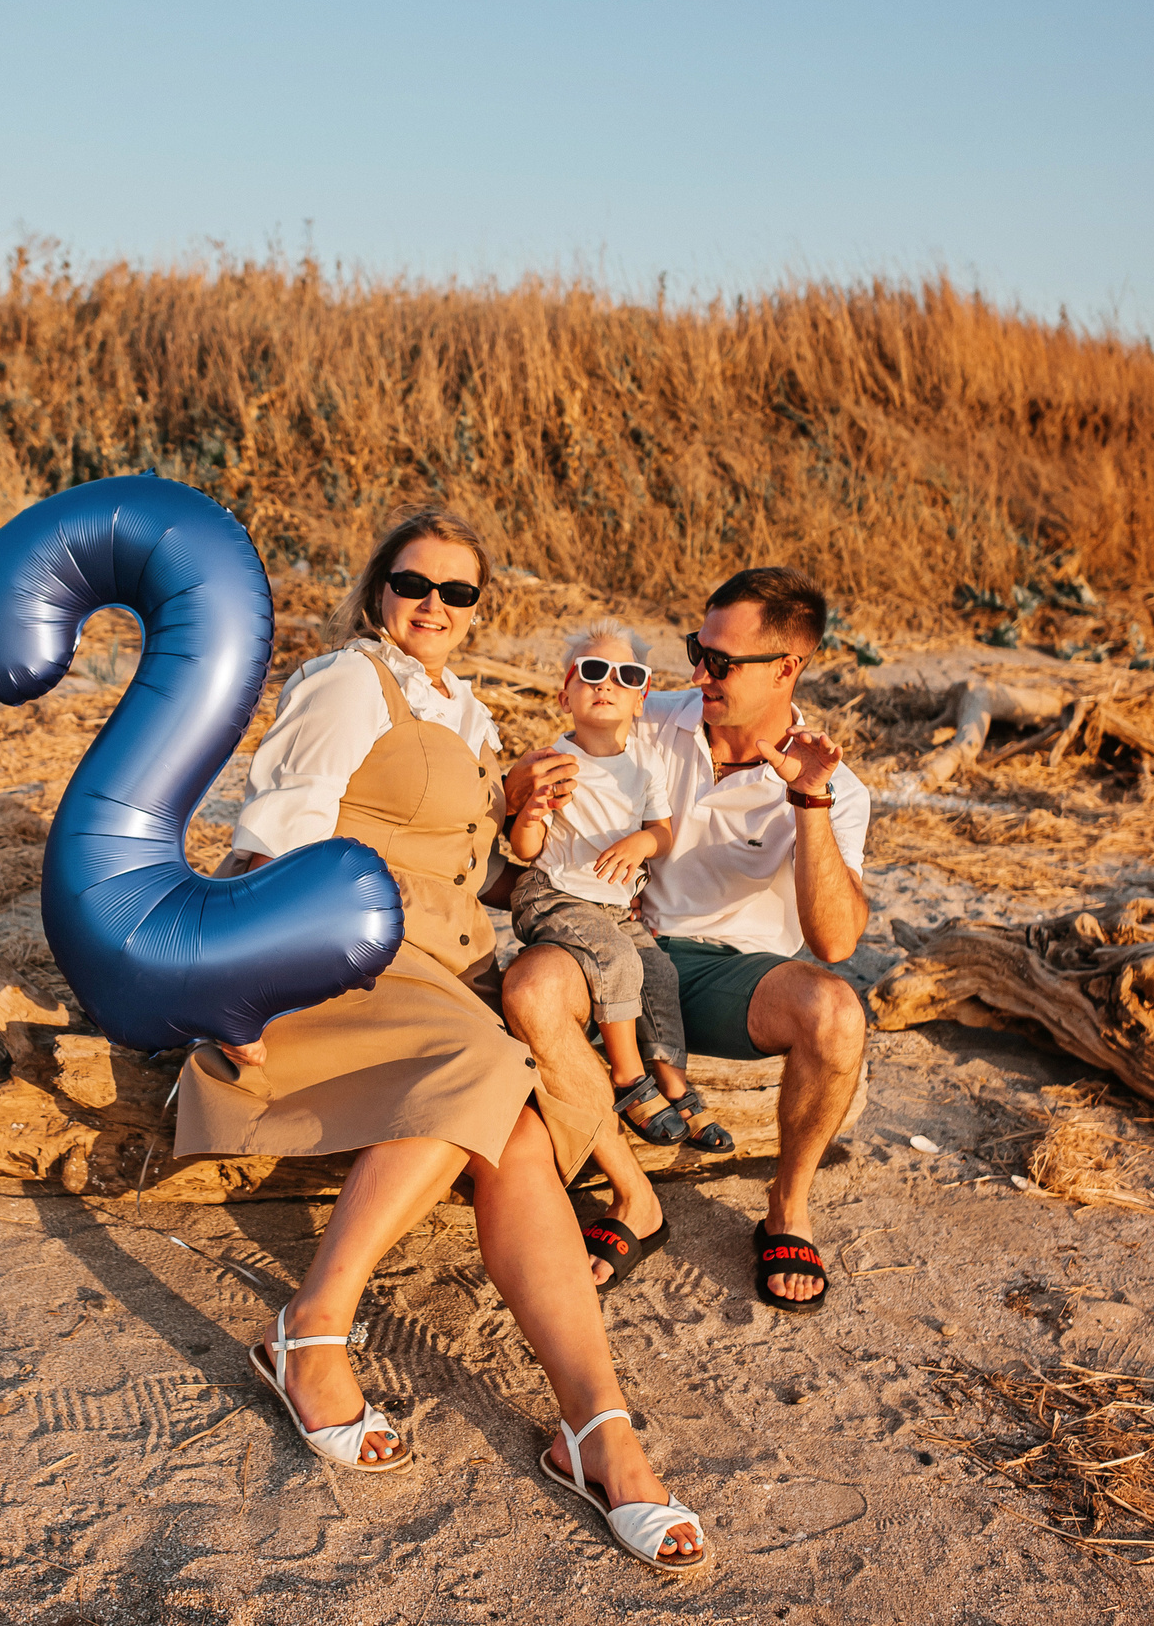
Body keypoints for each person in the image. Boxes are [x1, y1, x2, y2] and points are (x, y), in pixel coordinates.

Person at [173, 506, 708, 1574]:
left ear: (475, 611)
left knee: (516, 1132)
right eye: (413, 583)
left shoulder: (468, 712)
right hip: (336, 958)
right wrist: (242, 986)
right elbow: (276, 831)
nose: (433, 604)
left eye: (457, 591)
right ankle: (312, 1328)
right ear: (380, 590)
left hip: (443, 975)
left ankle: (597, 1426)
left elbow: (481, 877)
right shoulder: (344, 681)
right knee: (490, 1068)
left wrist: (531, 824)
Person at [501, 567, 871, 1311]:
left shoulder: (838, 786)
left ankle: (787, 1209)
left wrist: (808, 800)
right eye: (696, 650)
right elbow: (533, 783)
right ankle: (634, 1196)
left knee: (837, 1013)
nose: (698, 673)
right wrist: (523, 789)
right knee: (531, 988)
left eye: (721, 662)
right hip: (613, 940)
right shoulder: (645, 717)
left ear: (787, 668)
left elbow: (834, 942)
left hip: (736, 980)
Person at [503, 623, 730, 1179]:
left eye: (625, 675)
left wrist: (641, 844)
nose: (607, 684)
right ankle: (628, 1076)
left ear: (641, 697)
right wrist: (531, 815)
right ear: (566, 694)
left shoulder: (644, 769)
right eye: (592, 672)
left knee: (659, 972)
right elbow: (525, 849)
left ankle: (673, 1081)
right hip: (554, 894)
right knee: (617, 958)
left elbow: (663, 834)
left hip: (610, 906)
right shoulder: (556, 762)